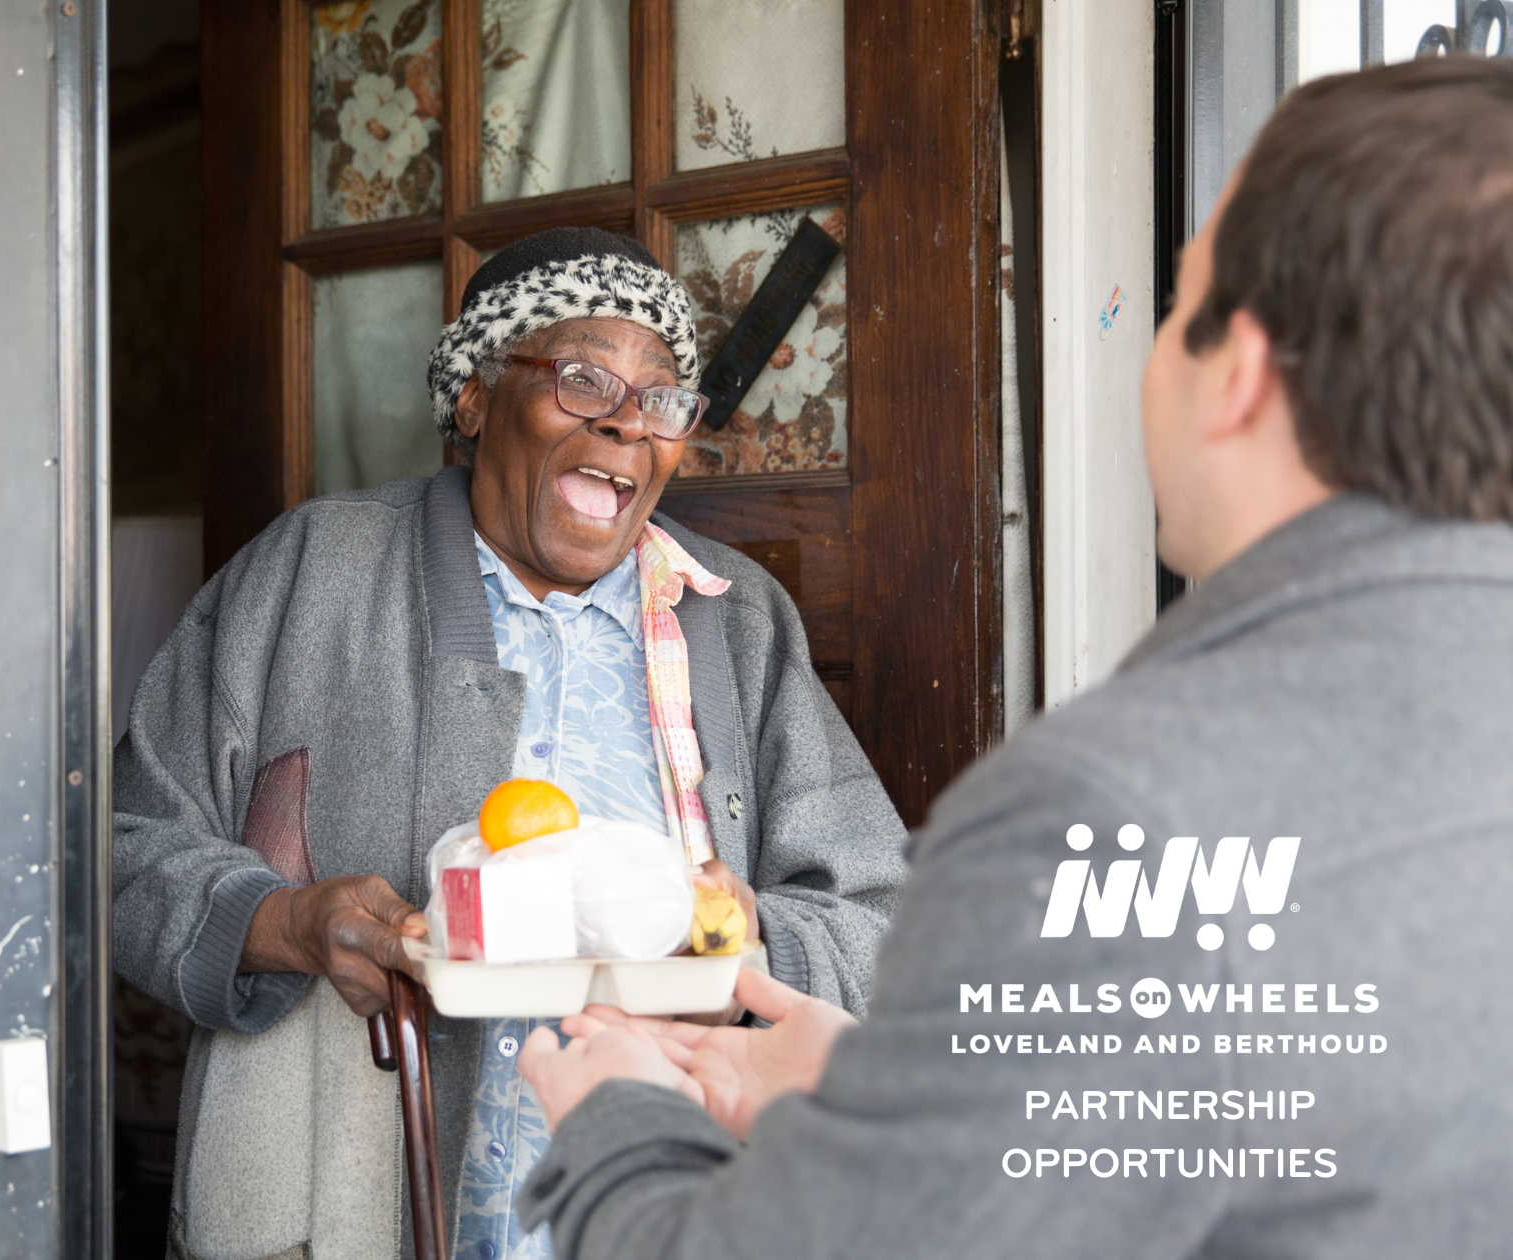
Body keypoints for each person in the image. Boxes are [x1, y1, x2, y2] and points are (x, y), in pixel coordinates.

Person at [513, 57, 1513, 1258]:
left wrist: (618, 1116)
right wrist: (904, 1093)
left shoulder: (1107, 817)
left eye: (1172, 311)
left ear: (1235, 377)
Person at [111, 227, 907, 1260]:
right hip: (356, 1196)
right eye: (582, 380)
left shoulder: (731, 618)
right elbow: (120, 846)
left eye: (659, 396)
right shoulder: (314, 569)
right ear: (474, 398)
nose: (627, 424)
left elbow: (884, 917)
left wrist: (748, 937)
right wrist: (287, 923)